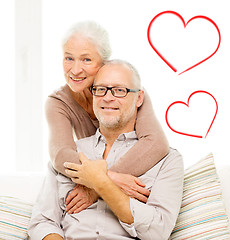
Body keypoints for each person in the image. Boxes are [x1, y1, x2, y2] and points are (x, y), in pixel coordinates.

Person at [28, 60, 184, 240]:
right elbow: (42, 222)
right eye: (101, 89)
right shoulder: (69, 155)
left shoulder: (167, 160)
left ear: (139, 98)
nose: (108, 98)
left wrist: (100, 182)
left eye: (119, 90)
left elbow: (158, 231)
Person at [46, 20, 169, 213]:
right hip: (102, 184)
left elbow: (156, 143)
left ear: (103, 63)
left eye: (86, 60)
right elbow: (61, 154)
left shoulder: (127, 89)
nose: (75, 70)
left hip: (136, 183)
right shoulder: (57, 102)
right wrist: (108, 179)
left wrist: (97, 187)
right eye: (69, 58)